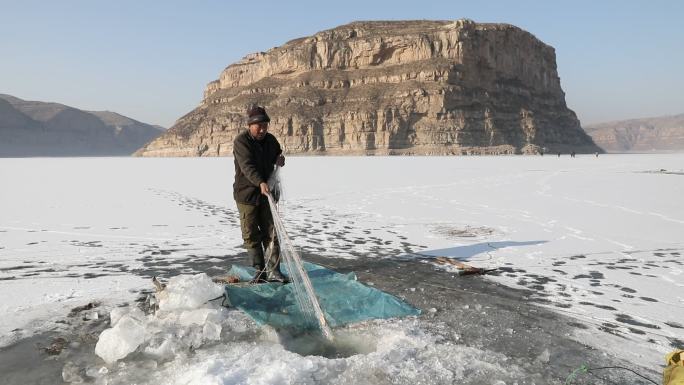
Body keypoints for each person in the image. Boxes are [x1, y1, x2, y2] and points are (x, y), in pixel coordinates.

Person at [233, 105, 287, 283]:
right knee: (250, 233)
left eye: (265, 125)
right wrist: (260, 182)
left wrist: (279, 158)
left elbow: (277, 153)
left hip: (268, 195)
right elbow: (247, 166)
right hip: (247, 195)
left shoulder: (271, 140)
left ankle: (274, 270)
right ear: (250, 125)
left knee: (271, 232)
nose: (263, 129)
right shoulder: (241, 142)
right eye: (259, 126)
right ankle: (259, 270)